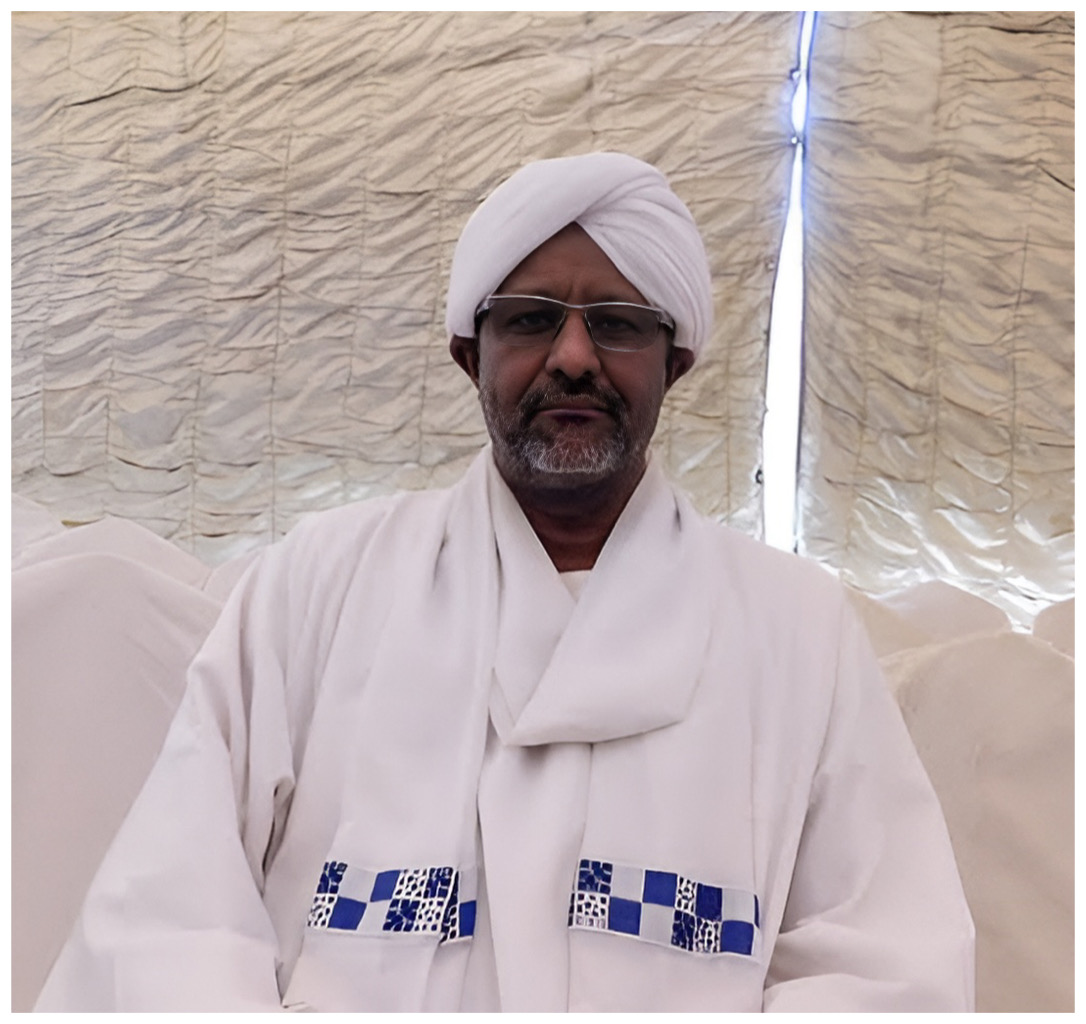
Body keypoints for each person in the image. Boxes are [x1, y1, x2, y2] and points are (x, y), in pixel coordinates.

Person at [35, 152, 974, 1012]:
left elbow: (887, 964)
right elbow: (171, 911)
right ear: (468, 354)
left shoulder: (797, 626)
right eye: (529, 319)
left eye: (618, 324)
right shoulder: (318, 581)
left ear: (675, 364)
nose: (573, 357)